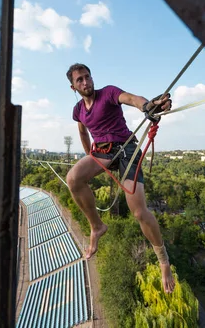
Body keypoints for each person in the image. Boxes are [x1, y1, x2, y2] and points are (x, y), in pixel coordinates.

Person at [65, 63, 176, 293]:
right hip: (102, 152)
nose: (85, 82)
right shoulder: (78, 110)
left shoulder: (108, 93)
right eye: (79, 80)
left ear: (92, 78)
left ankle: (163, 260)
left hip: (125, 150)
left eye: (87, 77)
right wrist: (89, 157)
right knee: (73, 178)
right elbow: (82, 130)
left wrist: (149, 106)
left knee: (139, 212)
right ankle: (97, 226)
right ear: (73, 86)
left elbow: (132, 99)